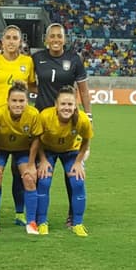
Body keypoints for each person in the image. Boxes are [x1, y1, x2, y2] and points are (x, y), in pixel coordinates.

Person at [32, 22, 92, 227]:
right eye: (52, 36)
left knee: (73, 176)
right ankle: (33, 216)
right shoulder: (37, 58)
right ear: (46, 40)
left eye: (59, 36)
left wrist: (88, 114)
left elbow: (83, 90)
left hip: (69, 121)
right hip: (44, 124)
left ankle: (73, 216)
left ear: (64, 39)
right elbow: (31, 83)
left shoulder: (74, 59)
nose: (56, 40)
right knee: (40, 175)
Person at [0, 25, 36, 226]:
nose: (12, 41)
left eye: (15, 38)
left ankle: (20, 212)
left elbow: (32, 85)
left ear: (20, 42)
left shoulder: (27, 62)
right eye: (8, 37)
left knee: (19, 171)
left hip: (21, 124)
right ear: (2, 41)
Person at [36, 85, 93, 236]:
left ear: (75, 106)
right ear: (56, 105)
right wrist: (42, 159)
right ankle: (42, 222)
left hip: (71, 151)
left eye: (70, 104)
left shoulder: (82, 119)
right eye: (63, 104)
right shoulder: (45, 116)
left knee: (78, 181)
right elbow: (36, 140)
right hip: (48, 150)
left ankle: (77, 223)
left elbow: (86, 140)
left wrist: (78, 162)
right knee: (43, 181)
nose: (66, 107)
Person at [0, 81, 42, 235]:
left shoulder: (33, 114)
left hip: (23, 150)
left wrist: (31, 164)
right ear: (8, 101)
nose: (18, 104)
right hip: (0, 149)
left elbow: (37, 139)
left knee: (30, 178)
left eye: (21, 101)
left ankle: (31, 222)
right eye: (14, 101)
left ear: (27, 101)